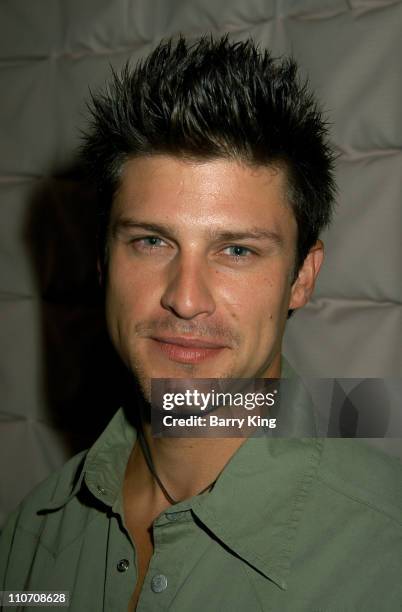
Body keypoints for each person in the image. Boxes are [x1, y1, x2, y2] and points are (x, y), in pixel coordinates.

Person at [1, 35, 401, 612]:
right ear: (102, 263)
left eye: (236, 250)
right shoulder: (31, 538)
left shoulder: (385, 552)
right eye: (150, 241)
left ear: (302, 276)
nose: (185, 300)